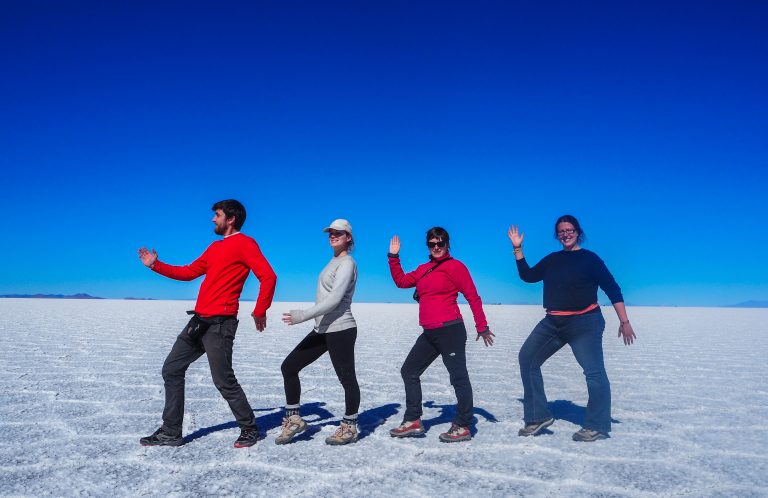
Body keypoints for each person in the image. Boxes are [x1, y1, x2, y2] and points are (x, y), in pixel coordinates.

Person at [137, 199, 277, 448]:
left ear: (231, 219)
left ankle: (249, 428)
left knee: (223, 380)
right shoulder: (214, 248)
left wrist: (260, 311)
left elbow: (268, 276)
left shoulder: (245, 244)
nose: (213, 219)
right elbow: (188, 272)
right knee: (171, 369)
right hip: (199, 321)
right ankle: (171, 431)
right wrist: (155, 265)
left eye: (217, 215)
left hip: (220, 324)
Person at [508, 214, 636, 442]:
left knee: (594, 372)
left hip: (585, 322)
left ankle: (596, 424)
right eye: (561, 231)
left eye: (570, 230)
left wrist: (624, 321)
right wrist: (518, 249)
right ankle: (538, 416)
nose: (565, 234)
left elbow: (613, 289)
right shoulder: (552, 260)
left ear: (578, 232)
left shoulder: (590, 259)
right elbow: (528, 276)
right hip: (553, 322)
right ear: (557, 236)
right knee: (527, 358)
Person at [387, 227, 494, 443]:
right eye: (432, 244)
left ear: (447, 244)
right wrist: (393, 257)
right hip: (429, 332)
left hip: (450, 330)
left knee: (458, 377)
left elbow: (473, 297)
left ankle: (463, 424)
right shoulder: (423, 269)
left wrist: (481, 326)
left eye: (440, 243)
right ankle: (413, 420)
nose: (436, 247)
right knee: (409, 371)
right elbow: (401, 282)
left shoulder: (456, 267)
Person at [278, 219, 361, 446]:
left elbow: (334, 300)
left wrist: (302, 315)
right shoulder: (332, 262)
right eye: (331, 233)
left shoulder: (347, 263)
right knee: (289, 366)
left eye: (338, 233)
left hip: (341, 329)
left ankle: (350, 427)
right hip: (322, 330)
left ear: (349, 237)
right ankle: (294, 418)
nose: (333, 236)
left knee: (346, 378)